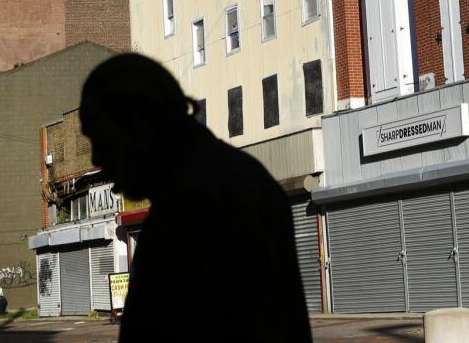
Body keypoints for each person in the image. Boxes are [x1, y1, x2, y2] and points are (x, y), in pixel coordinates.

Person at [79, 53, 312, 342]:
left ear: (138, 125)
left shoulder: (190, 205)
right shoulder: (239, 179)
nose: (97, 157)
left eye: (101, 140)